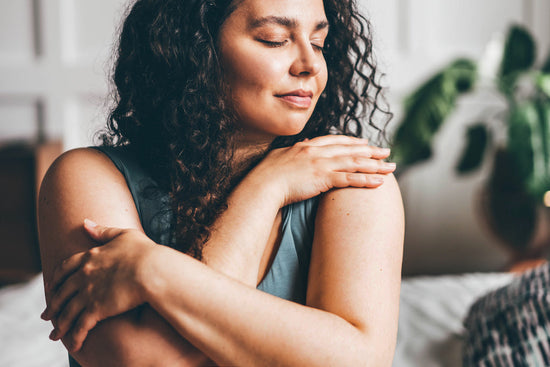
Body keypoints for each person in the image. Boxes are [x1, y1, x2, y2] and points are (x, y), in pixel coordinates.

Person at [38, 0, 404, 365]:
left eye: (319, 43)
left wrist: (151, 268)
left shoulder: (353, 180)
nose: (310, 65)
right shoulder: (87, 175)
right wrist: (267, 187)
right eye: (275, 40)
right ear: (195, 46)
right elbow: (141, 360)